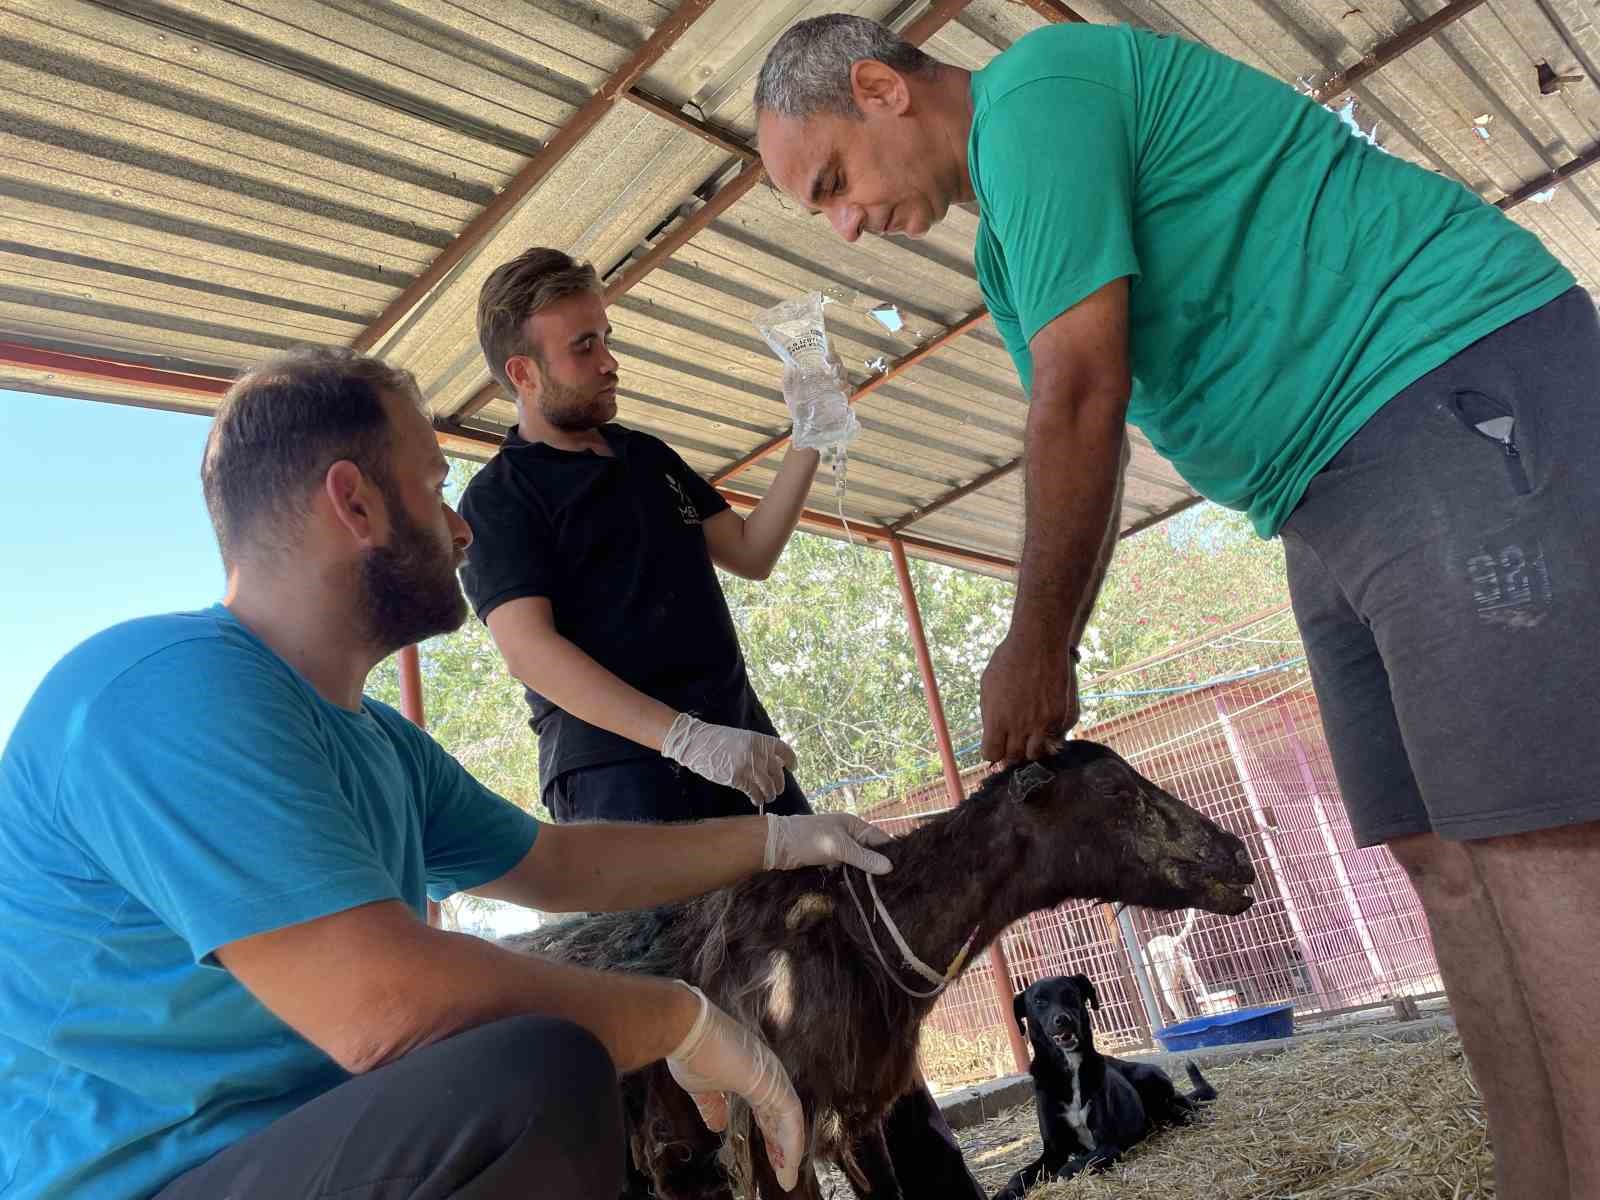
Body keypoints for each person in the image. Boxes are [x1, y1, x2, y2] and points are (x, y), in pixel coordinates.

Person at [754, 14, 1600, 1199]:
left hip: (1430, 374)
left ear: (881, 86)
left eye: (832, 181)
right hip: (1315, 492)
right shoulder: (1004, 250)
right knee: (1437, 854)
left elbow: (1082, 390)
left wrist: (1038, 641)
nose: (844, 223)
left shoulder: (1037, 94)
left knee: (1535, 835)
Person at [0, 346, 898, 1200]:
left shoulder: (380, 744)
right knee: (536, 1078)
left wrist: (778, 838)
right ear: (354, 505)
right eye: (435, 487)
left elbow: (557, 865)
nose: (463, 527)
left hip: (308, 1148)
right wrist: (679, 1021)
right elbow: (382, 1007)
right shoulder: (166, 691)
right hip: (141, 1180)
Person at [458, 246, 986, 1198]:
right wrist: (679, 735)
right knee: (686, 1026)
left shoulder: (649, 458)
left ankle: (929, 1181)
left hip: (744, 758)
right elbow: (530, 649)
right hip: (622, 783)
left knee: (843, 960)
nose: (611, 359)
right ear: (523, 373)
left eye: (607, 339)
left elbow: (751, 550)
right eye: (586, 347)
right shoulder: (502, 498)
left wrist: (810, 434)